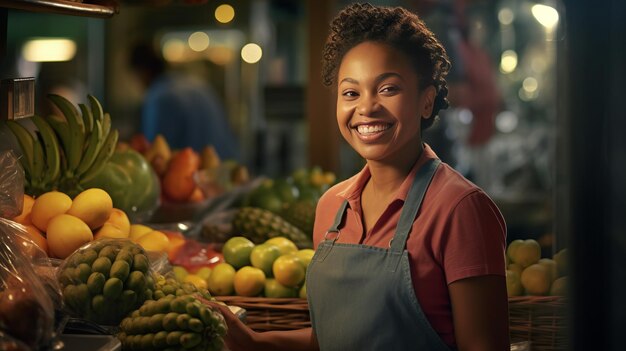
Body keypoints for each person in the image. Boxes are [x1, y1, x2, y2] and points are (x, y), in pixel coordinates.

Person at [208, 3, 509, 350]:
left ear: (426, 101)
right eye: (351, 92)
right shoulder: (331, 207)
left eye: (388, 89)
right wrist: (252, 341)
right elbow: (334, 339)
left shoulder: (461, 209)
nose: (366, 108)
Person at [129, 41, 239, 159]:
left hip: (193, 173)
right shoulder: (197, 85)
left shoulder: (160, 98)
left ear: (142, 72)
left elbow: (155, 155)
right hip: (228, 168)